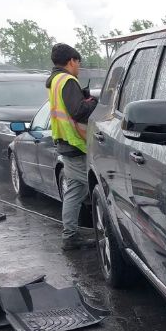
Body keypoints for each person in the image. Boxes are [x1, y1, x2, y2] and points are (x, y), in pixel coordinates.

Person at [47, 43, 98, 251]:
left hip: (65, 141)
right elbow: (78, 111)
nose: (79, 67)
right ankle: (71, 235)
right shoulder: (67, 80)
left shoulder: (55, 81)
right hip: (75, 143)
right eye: (78, 62)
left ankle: (71, 234)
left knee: (76, 190)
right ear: (71, 61)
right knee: (84, 188)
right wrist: (93, 102)